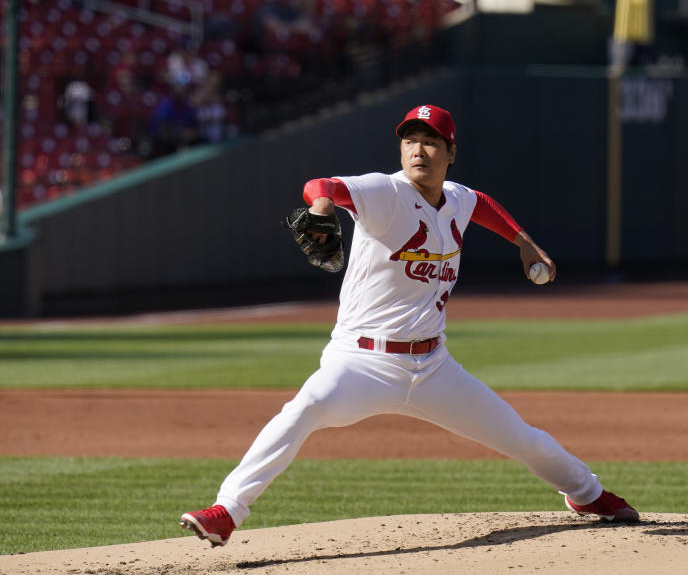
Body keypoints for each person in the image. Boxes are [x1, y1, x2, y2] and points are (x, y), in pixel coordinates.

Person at [179, 105, 639, 547]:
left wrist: (523, 241)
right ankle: (227, 511)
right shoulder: (385, 192)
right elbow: (321, 184)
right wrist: (322, 207)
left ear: (450, 152)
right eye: (411, 140)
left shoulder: (455, 199)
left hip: (434, 367)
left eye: (431, 142)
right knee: (305, 407)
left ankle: (587, 493)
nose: (418, 149)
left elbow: (479, 203)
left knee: (522, 438)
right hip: (361, 361)